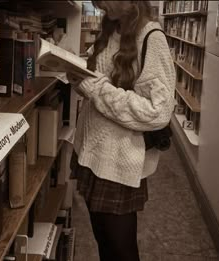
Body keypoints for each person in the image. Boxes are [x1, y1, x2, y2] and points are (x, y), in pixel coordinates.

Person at [68, 1, 175, 261]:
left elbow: (158, 111)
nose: (101, 6)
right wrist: (75, 68)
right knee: (104, 244)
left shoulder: (151, 37)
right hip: (94, 153)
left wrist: (94, 88)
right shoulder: (111, 28)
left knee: (121, 251)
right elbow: (97, 76)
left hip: (118, 164)